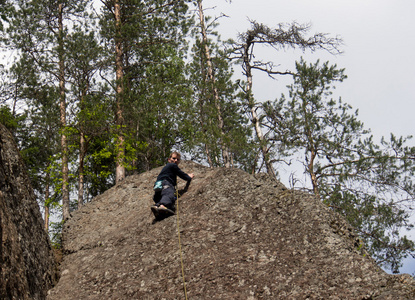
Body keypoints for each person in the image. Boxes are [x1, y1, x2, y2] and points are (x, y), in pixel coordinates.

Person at [151, 151, 194, 218]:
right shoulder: (172, 165)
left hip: (158, 186)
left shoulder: (165, 168)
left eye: (178, 159)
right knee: (168, 194)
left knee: (160, 197)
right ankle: (163, 206)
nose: (176, 160)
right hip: (166, 183)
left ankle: (157, 206)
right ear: (169, 160)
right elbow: (181, 174)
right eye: (174, 158)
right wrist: (189, 177)